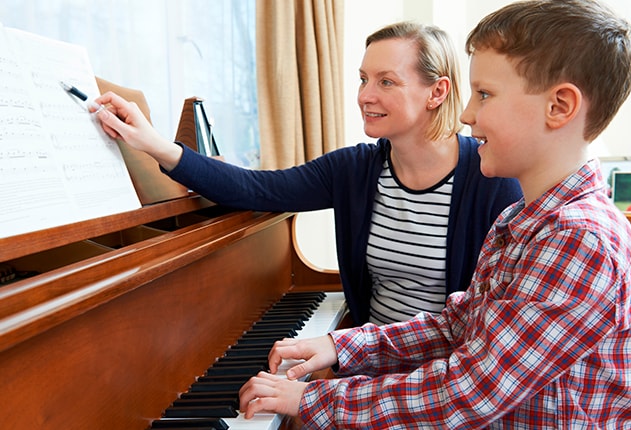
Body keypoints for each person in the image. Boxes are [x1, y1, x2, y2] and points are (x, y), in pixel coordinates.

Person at [237, 0, 631, 427]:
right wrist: (346, 346)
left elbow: (471, 390)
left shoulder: (579, 238)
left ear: (559, 106)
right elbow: (459, 326)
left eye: (484, 94)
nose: (467, 113)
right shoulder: (520, 221)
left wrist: (313, 398)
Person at [95, 22, 521, 326]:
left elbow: (490, 322)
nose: (364, 96)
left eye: (386, 82)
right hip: (367, 360)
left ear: (438, 92)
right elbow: (257, 188)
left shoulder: (491, 178)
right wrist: (152, 143)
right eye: (362, 79)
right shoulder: (355, 169)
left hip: (441, 376)